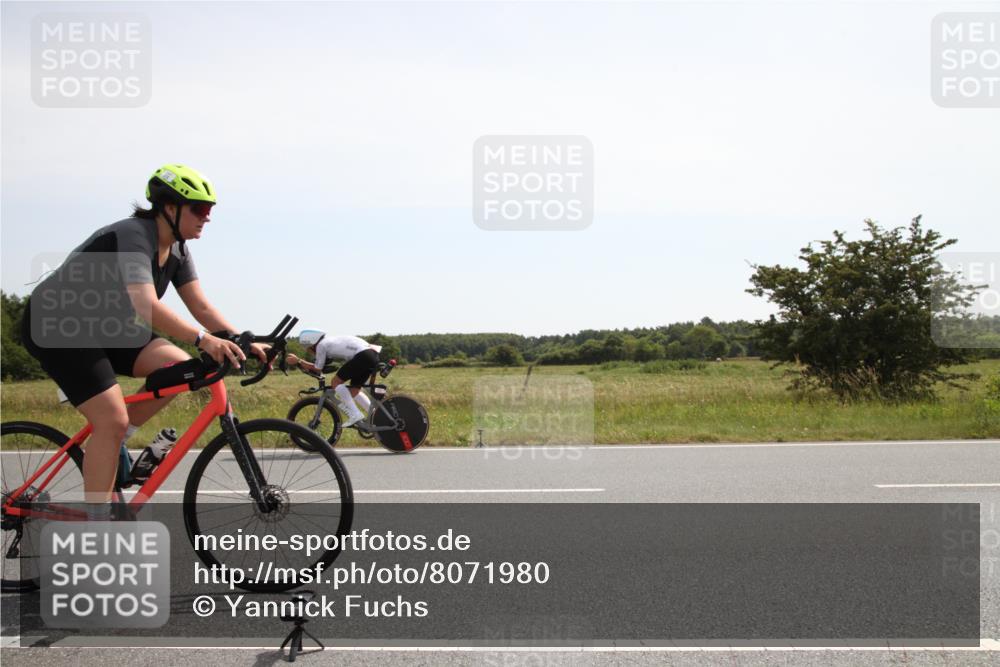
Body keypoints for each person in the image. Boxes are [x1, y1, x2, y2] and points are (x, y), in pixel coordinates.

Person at [20, 164, 268, 519]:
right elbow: (145, 304)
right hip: (59, 324)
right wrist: (202, 339)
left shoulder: (179, 250)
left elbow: (200, 305)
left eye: (210, 210)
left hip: (108, 327)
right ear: (170, 208)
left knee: (179, 368)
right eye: (199, 209)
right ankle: (98, 524)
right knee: (111, 419)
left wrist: (241, 339)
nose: (207, 217)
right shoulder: (134, 234)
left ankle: (113, 442)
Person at [286, 331, 382, 427]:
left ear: (311, 344)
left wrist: (298, 360)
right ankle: (376, 416)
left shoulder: (321, 345)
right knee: (354, 391)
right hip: (372, 355)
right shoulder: (329, 342)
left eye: (308, 349)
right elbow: (324, 366)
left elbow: (318, 368)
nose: (310, 352)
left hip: (363, 355)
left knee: (335, 382)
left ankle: (355, 414)